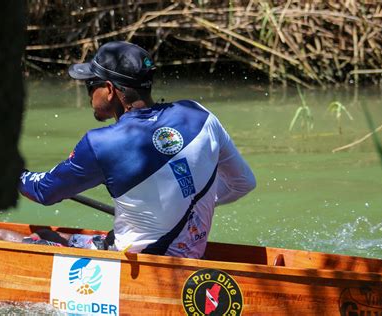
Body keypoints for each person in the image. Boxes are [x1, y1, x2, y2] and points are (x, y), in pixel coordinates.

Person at [17, 41, 256, 258]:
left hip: (144, 267)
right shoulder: (198, 114)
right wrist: (186, 203)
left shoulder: (101, 143)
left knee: (11, 238)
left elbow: (43, 191)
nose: (89, 94)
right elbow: (243, 183)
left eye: (91, 85)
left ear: (109, 90)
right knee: (47, 233)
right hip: (191, 256)